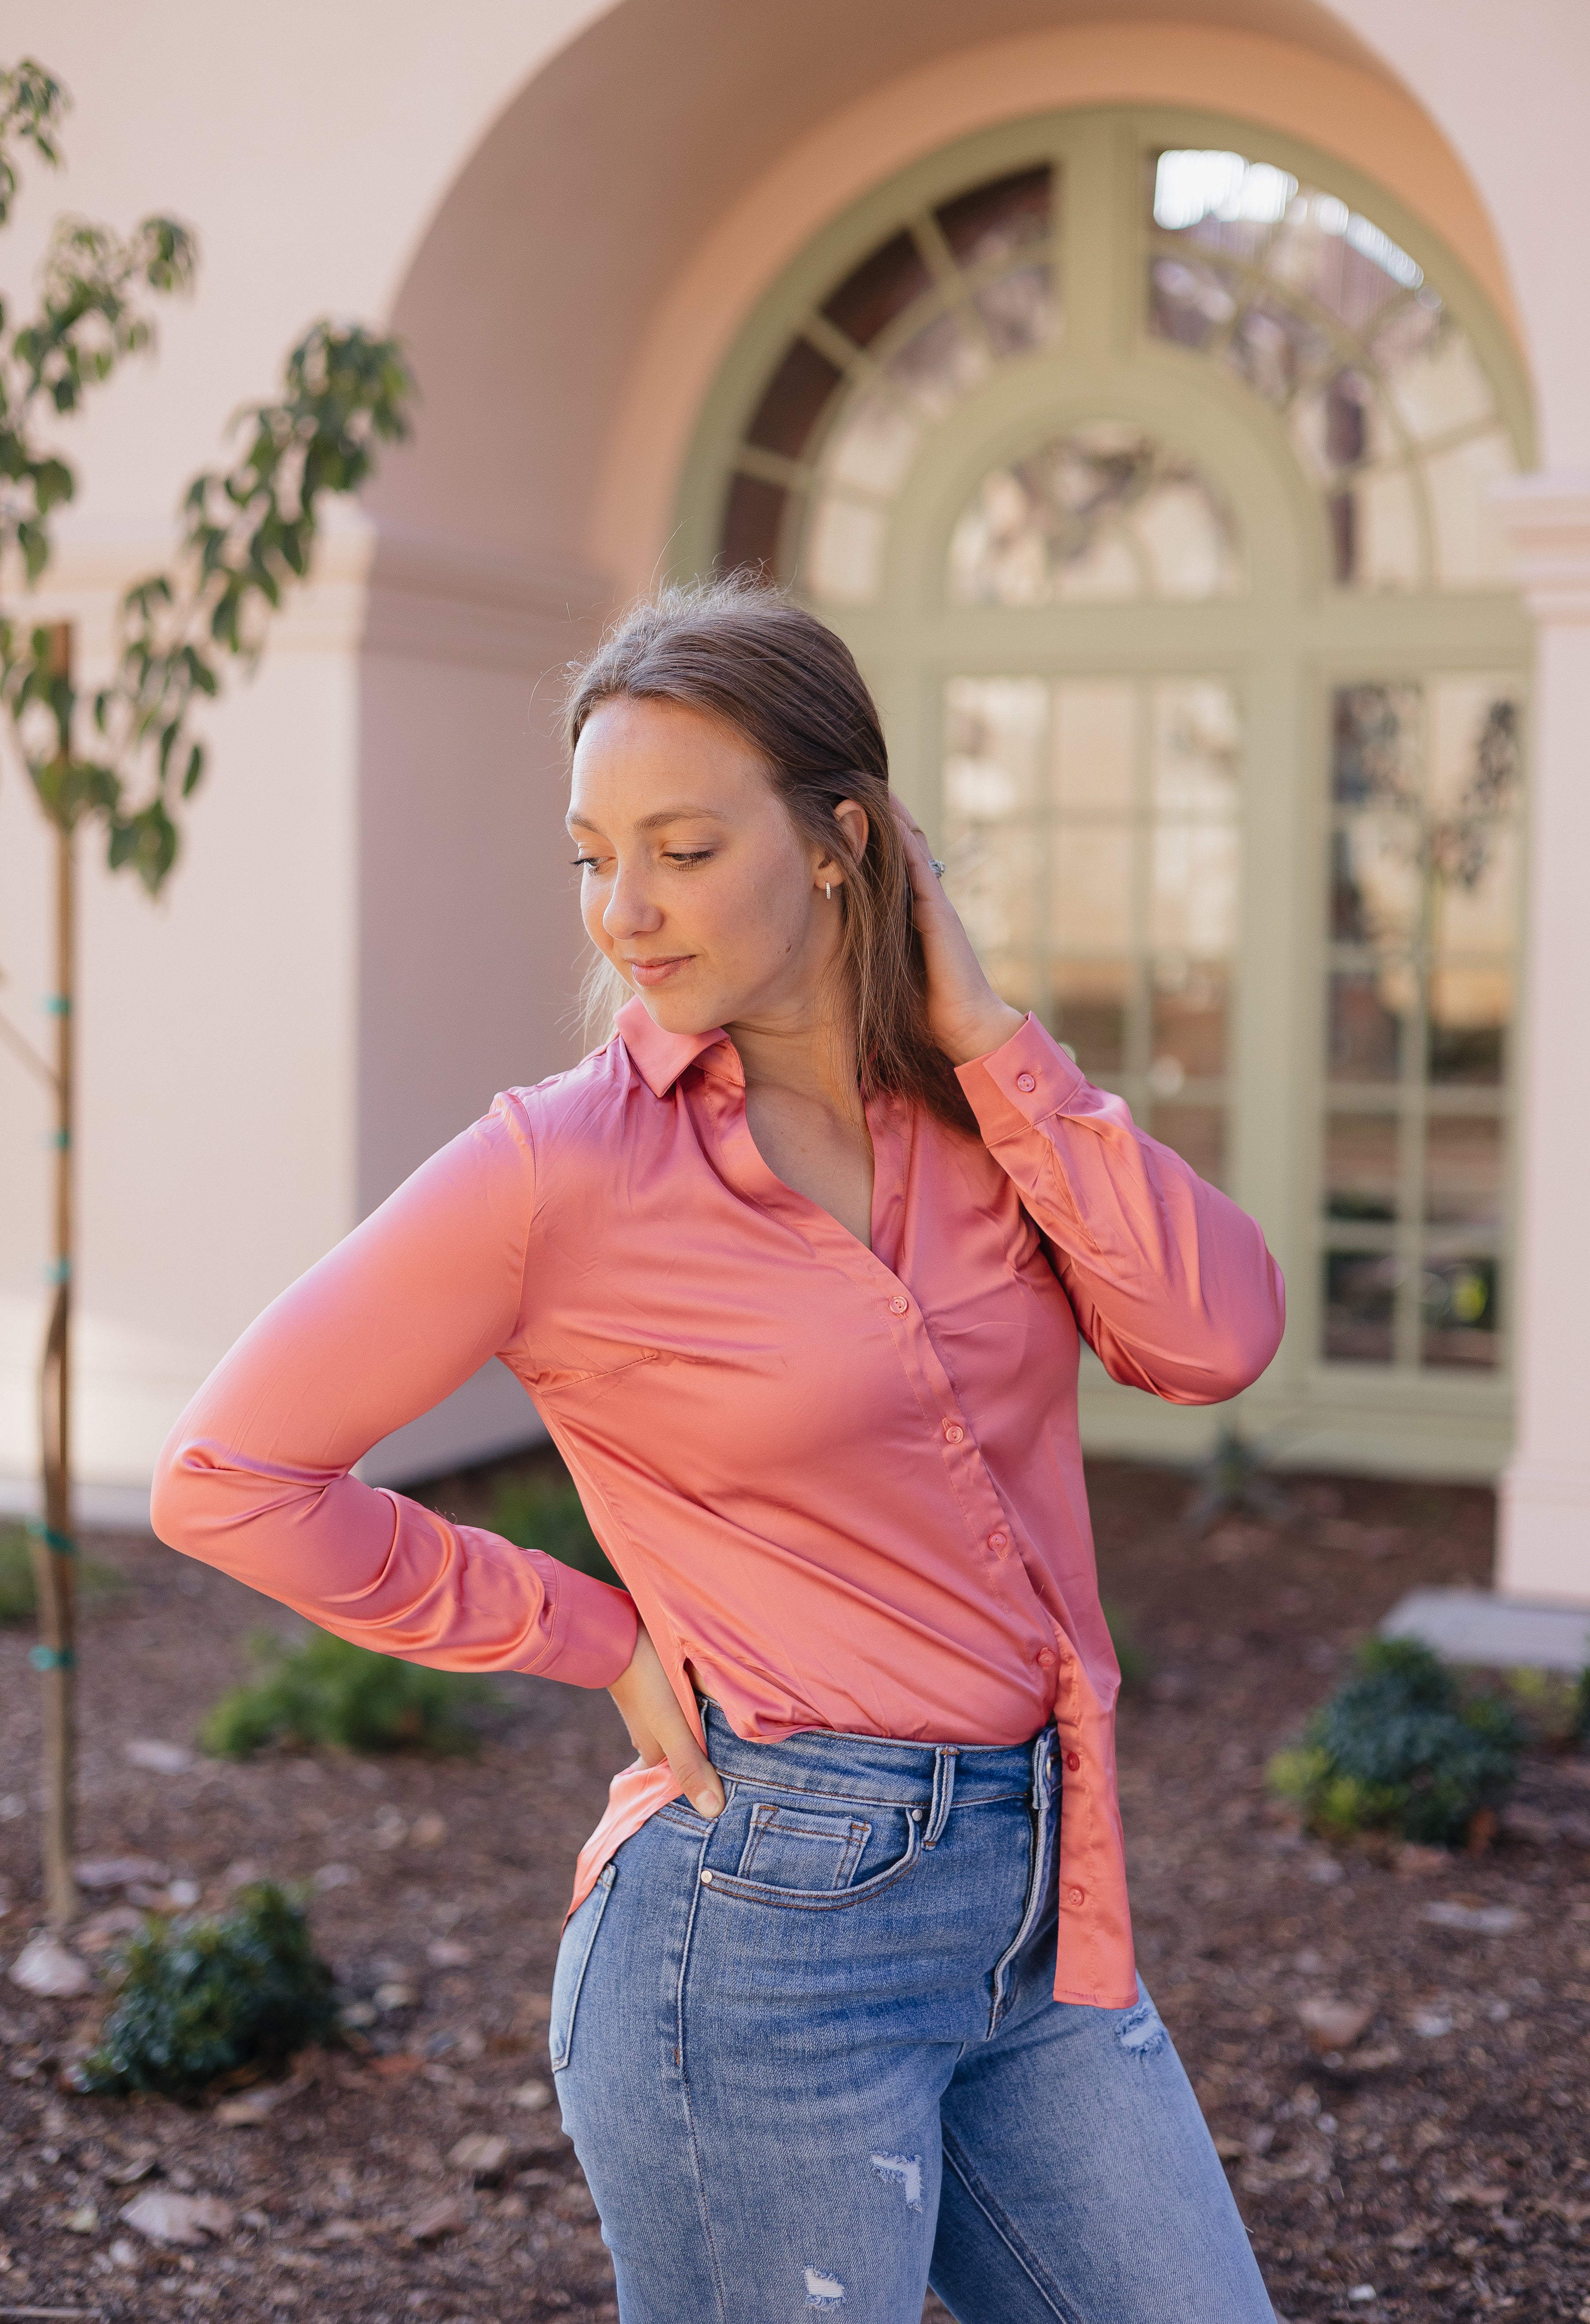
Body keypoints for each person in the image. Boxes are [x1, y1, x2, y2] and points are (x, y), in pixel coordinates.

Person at [152, 580, 1285, 2324]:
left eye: (680, 847)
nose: (624, 908)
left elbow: (1211, 1337)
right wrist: (585, 1627)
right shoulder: (556, 1166)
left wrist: (988, 1033)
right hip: (759, 1933)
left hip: (1044, 1911)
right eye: (595, 854)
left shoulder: (985, 1127)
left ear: (844, 841)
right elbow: (226, 1472)